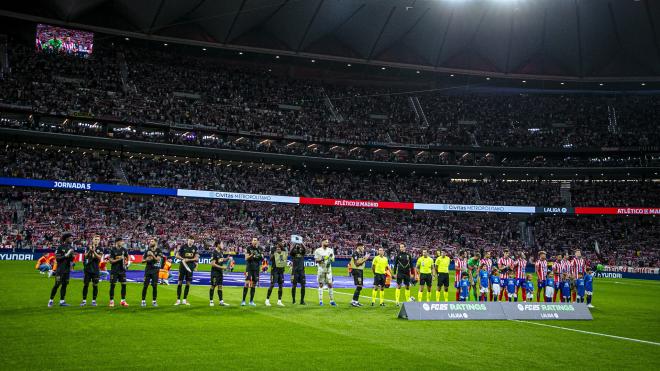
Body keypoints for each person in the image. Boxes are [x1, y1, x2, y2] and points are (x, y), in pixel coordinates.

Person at [48, 232, 75, 307]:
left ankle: (62, 301)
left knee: (64, 285)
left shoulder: (71, 248)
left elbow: (71, 260)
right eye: (70, 238)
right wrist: (66, 255)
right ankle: (51, 300)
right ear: (66, 239)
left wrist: (72, 256)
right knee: (57, 285)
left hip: (67, 270)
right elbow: (57, 258)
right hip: (60, 270)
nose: (71, 239)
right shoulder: (60, 247)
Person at [175, 237, 199, 306]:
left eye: (192, 241)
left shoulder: (195, 248)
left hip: (190, 267)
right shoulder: (183, 246)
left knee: (188, 283)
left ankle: (185, 300)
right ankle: (178, 300)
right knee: (179, 283)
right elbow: (176, 256)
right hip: (182, 266)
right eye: (190, 241)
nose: (191, 242)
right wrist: (183, 259)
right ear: (188, 240)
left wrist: (188, 260)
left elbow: (196, 258)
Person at [81, 234, 103, 307]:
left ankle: (94, 301)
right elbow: (86, 256)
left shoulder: (100, 248)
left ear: (99, 241)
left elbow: (99, 258)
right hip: (87, 269)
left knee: (95, 285)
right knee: (86, 285)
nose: (96, 240)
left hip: (95, 269)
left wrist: (94, 251)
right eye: (95, 239)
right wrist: (90, 250)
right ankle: (84, 301)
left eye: (98, 239)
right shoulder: (88, 247)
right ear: (92, 240)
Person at [314, 239, 336, 306]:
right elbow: (316, 260)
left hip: (329, 270)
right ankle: (321, 301)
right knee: (321, 285)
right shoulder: (318, 250)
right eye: (326, 242)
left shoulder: (330, 250)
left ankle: (332, 301)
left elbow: (333, 259)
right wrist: (323, 258)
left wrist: (332, 259)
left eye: (328, 242)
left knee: (330, 284)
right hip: (321, 270)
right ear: (322, 242)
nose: (327, 243)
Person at [108, 237, 129, 307]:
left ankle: (123, 301)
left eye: (122, 241)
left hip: (122, 270)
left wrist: (126, 262)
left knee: (124, 285)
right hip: (114, 270)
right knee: (112, 285)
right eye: (120, 241)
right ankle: (111, 301)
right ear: (117, 242)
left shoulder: (124, 250)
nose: (122, 242)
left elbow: (127, 257)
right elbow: (111, 261)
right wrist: (119, 259)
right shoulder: (112, 250)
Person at [242, 237, 263, 306]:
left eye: (256, 240)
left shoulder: (260, 249)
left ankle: (251, 301)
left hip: (256, 268)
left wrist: (260, 255)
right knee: (247, 283)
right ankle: (243, 301)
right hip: (249, 268)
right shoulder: (248, 248)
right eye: (254, 240)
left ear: (257, 242)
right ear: (252, 241)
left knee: (254, 284)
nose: (255, 241)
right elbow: (246, 258)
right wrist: (252, 255)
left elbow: (261, 258)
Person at [266, 242, 287, 307]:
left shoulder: (284, 251)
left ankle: (279, 301)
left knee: (281, 285)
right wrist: (276, 253)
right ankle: (267, 300)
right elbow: (271, 259)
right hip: (274, 270)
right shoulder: (273, 249)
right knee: (272, 284)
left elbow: (284, 260)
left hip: (281, 270)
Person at [141, 238, 162, 307]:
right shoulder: (147, 251)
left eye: (152, 241)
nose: (150, 242)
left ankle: (154, 301)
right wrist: (146, 259)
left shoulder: (159, 250)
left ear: (156, 242)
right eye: (150, 241)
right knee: (145, 286)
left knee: (154, 286)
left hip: (155, 271)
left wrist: (152, 255)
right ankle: (143, 301)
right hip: (148, 270)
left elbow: (158, 260)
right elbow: (142, 261)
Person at [210, 241, 229, 307]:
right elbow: (212, 264)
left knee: (220, 286)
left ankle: (221, 301)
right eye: (221, 244)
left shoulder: (221, 252)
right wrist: (222, 267)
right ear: (218, 245)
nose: (223, 245)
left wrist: (227, 258)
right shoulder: (214, 253)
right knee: (213, 286)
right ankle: (211, 301)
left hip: (220, 272)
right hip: (215, 272)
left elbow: (221, 259)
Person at [350, 243, 369, 307]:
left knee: (360, 286)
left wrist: (364, 258)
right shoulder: (355, 253)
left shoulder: (359, 254)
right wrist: (365, 259)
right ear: (359, 247)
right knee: (359, 286)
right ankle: (353, 301)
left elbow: (359, 261)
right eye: (363, 247)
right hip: (356, 270)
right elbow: (357, 263)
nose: (363, 249)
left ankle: (356, 301)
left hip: (360, 270)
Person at [289, 241, 306, 305]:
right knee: (294, 286)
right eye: (297, 245)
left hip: (302, 271)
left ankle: (302, 300)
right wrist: (294, 245)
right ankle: (293, 300)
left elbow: (305, 249)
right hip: (295, 271)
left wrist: (301, 242)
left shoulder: (302, 252)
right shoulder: (294, 252)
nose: (298, 246)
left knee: (303, 286)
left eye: (299, 245)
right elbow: (290, 252)